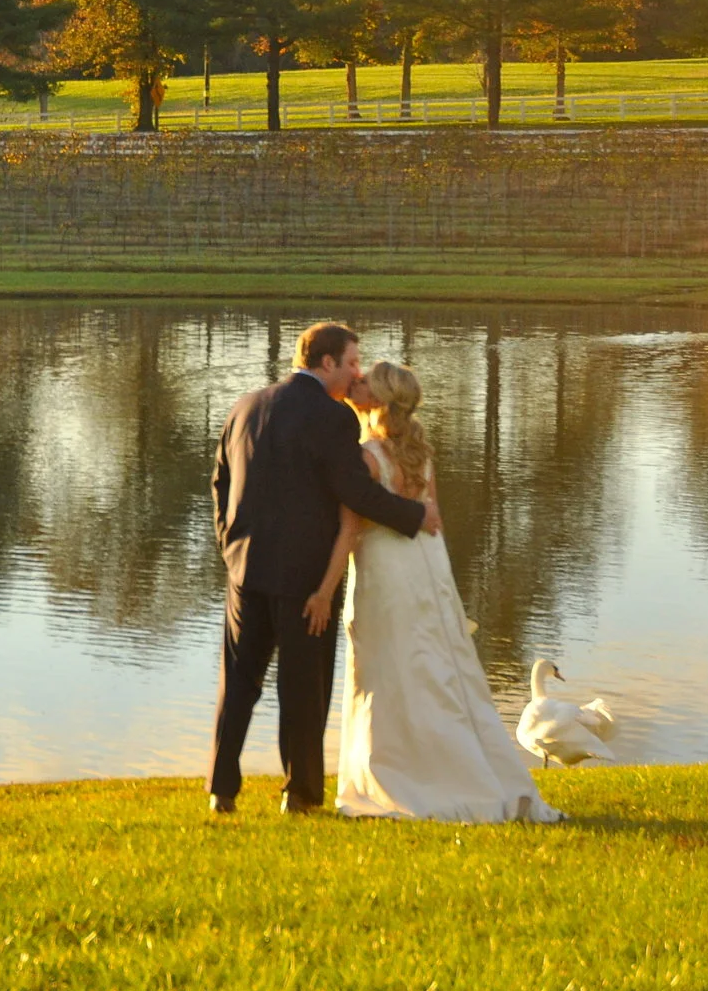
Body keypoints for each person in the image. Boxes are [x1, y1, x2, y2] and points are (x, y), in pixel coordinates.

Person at [316, 361, 563, 823]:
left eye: (366, 380)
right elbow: (435, 521)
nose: (358, 382)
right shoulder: (420, 454)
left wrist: (324, 590)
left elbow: (349, 531)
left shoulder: (367, 457)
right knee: (437, 669)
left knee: (389, 671)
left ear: (382, 400)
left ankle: (404, 779)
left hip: (387, 574)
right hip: (428, 567)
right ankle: (464, 769)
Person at [208, 322, 438, 814]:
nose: (358, 373)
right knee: (304, 686)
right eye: (353, 362)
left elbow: (219, 482)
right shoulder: (332, 420)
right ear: (327, 362)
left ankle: (221, 791)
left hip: (244, 572)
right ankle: (301, 793)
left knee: (239, 681)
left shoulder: (245, 405)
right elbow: (354, 492)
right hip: (306, 578)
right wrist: (417, 516)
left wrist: (230, 545)